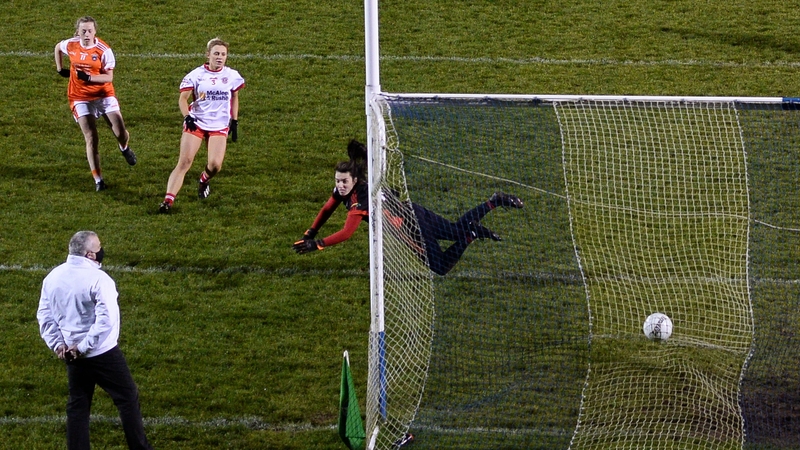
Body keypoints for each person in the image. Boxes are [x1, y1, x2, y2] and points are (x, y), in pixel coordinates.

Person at [293, 140, 524, 275]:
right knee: (455, 230)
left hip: (411, 228)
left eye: (344, 181)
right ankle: (494, 201)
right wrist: (310, 232)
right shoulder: (350, 188)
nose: (340, 186)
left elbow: (347, 232)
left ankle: (472, 234)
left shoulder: (359, 199)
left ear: (354, 180)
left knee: (440, 266)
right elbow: (327, 209)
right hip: (414, 210)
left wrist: (318, 244)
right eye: (337, 181)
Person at [37, 231, 153, 450]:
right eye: (98, 247)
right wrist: (82, 347)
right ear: (90, 255)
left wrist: (58, 345)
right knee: (127, 397)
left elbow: (45, 315)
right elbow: (105, 321)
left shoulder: (53, 277)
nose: (101, 251)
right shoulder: (100, 279)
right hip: (102, 353)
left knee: (78, 405)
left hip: (71, 353)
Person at [158, 37, 245, 213]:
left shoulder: (232, 76)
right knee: (184, 162)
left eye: (223, 54)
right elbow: (183, 99)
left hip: (219, 125)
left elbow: (235, 97)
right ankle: (167, 201)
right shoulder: (196, 75)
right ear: (208, 55)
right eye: (216, 54)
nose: (220, 57)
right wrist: (187, 117)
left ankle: (204, 179)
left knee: (215, 165)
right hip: (197, 122)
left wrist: (234, 120)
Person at [54, 16, 136, 192]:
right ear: (77, 32)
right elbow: (58, 47)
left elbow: (109, 77)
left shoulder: (103, 50)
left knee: (120, 132)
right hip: (79, 97)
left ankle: (124, 147)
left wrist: (89, 78)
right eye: (83, 31)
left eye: (90, 30)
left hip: (103, 95)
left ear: (95, 32)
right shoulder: (71, 44)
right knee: (91, 137)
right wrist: (60, 69)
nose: (86, 34)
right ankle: (98, 180)